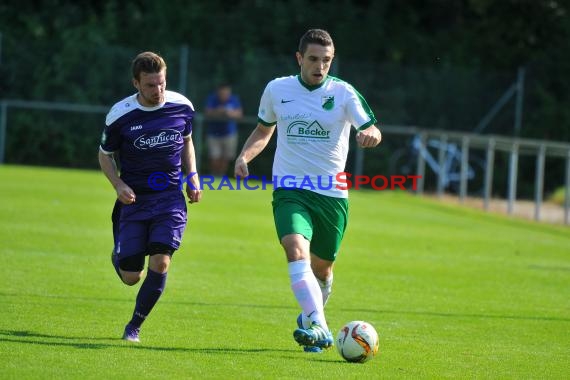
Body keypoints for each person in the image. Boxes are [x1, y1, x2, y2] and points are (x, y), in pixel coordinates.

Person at [234, 29, 382, 352]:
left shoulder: (343, 93)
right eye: (314, 59)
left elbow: (370, 126)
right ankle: (320, 325)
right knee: (295, 249)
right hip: (290, 188)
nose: (320, 66)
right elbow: (263, 129)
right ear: (299, 58)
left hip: (331, 195)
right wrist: (245, 155)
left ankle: (310, 318)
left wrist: (371, 134)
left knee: (323, 270)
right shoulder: (277, 89)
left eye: (326, 61)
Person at [98, 51, 202, 342]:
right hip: (133, 200)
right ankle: (119, 257)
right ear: (136, 83)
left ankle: (134, 326)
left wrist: (192, 176)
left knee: (161, 261)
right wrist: (118, 184)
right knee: (132, 276)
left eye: (162, 84)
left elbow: (187, 142)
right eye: (150, 86)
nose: (158, 92)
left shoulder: (182, 106)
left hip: (170, 198)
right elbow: (104, 155)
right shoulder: (120, 115)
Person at [204, 83, 243, 176]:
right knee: (214, 158)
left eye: (226, 93)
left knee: (226, 158)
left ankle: (220, 176)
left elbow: (239, 114)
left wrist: (229, 113)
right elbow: (207, 112)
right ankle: (214, 175)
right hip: (214, 134)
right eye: (222, 93)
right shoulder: (212, 99)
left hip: (229, 134)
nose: (224, 95)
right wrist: (219, 111)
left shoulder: (234, 99)